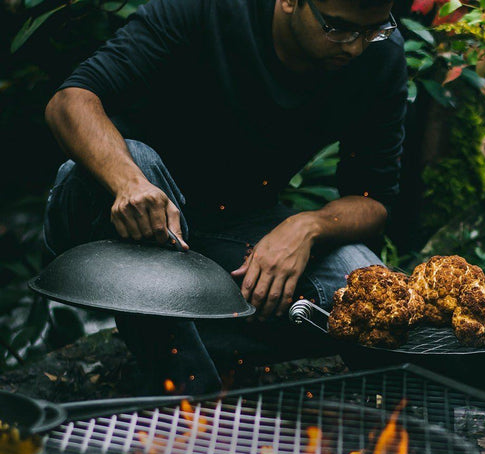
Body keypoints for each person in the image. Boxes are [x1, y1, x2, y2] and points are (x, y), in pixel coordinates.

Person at [42, 0, 407, 395]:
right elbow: (71, 101)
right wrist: (129, 183)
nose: (354, 47)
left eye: (373, 30)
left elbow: (374, 199)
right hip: (119, 214)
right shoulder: (206, 10)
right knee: (142, 160)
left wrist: (307, 227)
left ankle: (184, 338)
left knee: (365, 289)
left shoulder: (378, 55)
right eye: (337, 28)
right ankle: (192, 398)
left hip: (235, 228)